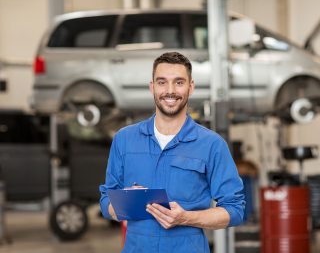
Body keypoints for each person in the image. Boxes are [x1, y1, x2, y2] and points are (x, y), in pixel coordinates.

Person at [99, 52, 245, 252]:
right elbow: (106, 200)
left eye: (178, 82)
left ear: (190, 87)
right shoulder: (124, 140)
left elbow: (235, 209)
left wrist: (187, 217)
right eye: (162, 82)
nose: (170, 91)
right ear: (152, 87)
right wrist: (126, 203)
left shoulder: (212, 144)